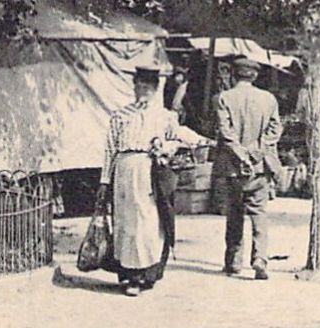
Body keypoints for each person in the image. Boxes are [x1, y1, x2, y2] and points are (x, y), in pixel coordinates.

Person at [100, 67, 207, 297]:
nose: (143, 90)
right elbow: (109, 150)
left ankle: (145, 274)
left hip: (147, 170)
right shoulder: (121, 115)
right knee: (125, 221)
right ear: (134, 86)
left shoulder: (164, 116)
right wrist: (104, 181)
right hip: (123, 170)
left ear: (156, 89)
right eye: (139, 85)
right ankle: (128, 273)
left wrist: (193, 142)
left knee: (146, 221)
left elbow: (178, 136)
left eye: (148, 86)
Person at [214, 58, 283, 280]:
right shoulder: (268, 99)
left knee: (234, 213)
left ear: (234, 75)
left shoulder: (224, 98)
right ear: (254, 76)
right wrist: (256, 151)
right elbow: (274, 130)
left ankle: (233, 262)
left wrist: (241, 154)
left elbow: (226, 133)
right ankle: (260, 259)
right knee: (259, 213)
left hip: (233, 167)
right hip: (260, 166)